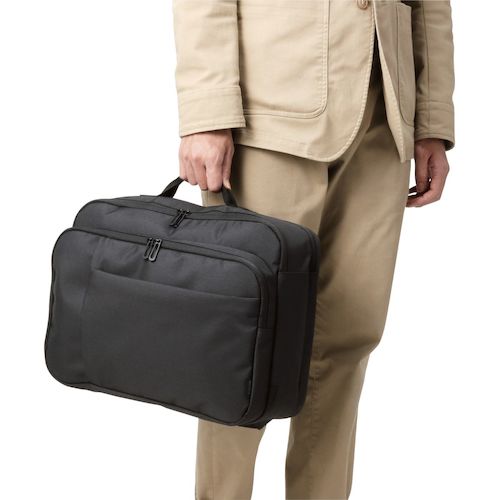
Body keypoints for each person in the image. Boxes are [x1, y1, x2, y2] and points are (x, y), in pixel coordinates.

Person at [171, 0, 455, 498]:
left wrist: (431, 118)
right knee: (244, 343)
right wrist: (208, 111)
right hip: (269, 112)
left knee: (348, 337)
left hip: (384, 112)